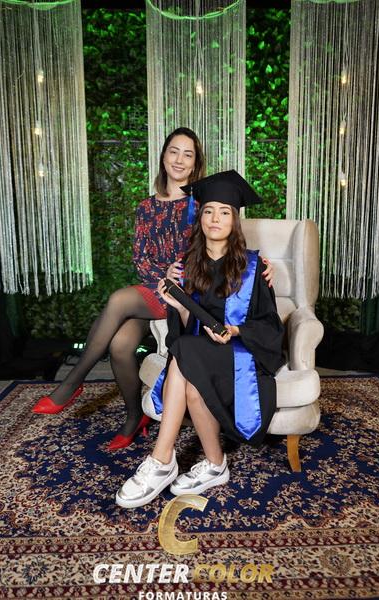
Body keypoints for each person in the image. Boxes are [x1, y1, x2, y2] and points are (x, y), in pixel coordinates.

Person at [32, 129, 274, 451]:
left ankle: (72, 382)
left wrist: (260, 263)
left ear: (196, 163)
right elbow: (140, 258)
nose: (179, 160)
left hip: (188, 293)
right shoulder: (146, 207)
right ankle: (135, 417)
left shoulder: (202, 203)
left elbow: (223, 243)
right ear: (163, 156)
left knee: (119, 300)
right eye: (174, 151)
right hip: (153, 289)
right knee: (120, 346)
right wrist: (164, 277)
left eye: (188, 154)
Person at [115, 170, 284, 509]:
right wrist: (179, 306)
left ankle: (162, 459)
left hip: (241, 357)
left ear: (234, 220)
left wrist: (235, 331)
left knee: (184, 355)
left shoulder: (254, 267)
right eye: (208, 211)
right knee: (190, 376)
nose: (215, 218)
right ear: (201, 218)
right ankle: (215, 464)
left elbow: (270, 328)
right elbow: (187, 329)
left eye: (224, 212)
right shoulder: (187, 267)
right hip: (198, 352)